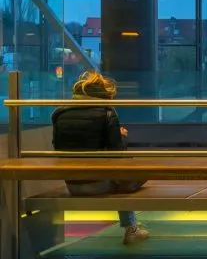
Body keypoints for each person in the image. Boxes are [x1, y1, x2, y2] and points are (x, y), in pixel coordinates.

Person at [52, 72, 150, 245]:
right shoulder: (107, 114)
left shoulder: (59, 113)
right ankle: (131, 228)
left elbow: (58, 146)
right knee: (129, 173)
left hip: (72, 184)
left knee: (117, 172)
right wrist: (122, 136)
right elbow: (116, 153)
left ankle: (132, 226)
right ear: (103, 95)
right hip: (97, 185)